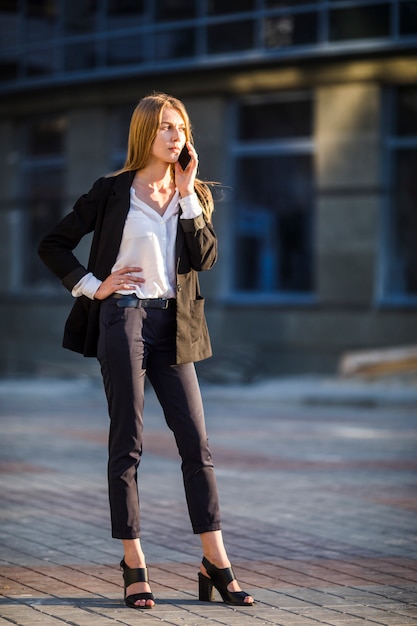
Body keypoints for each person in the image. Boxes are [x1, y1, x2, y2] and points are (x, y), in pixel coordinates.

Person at [38, 92, 254, 610]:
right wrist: (95, 286)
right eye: (163, 128)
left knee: (196, 444)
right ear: (144, 134)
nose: (174, 135)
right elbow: (54, 243)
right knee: (128, 440)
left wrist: (184, 194)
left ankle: (215, 560)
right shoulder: (112, 191)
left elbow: (204, 257)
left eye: (179, 127)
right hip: (124, 315)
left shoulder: (191, 192)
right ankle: (134, 562)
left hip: (175, 323)